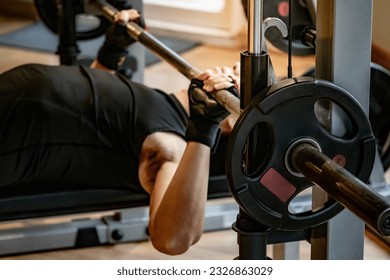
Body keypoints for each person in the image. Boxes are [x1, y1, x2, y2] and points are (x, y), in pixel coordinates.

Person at [0, 9, 239, 255]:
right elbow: (91, 113)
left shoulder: (170, 144)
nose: (234, 66)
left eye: (238, 77)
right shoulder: (163, 103)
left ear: (233, 121)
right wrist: (112, 52)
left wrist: (203, 130)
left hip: (12, 134)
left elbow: (173, 239)